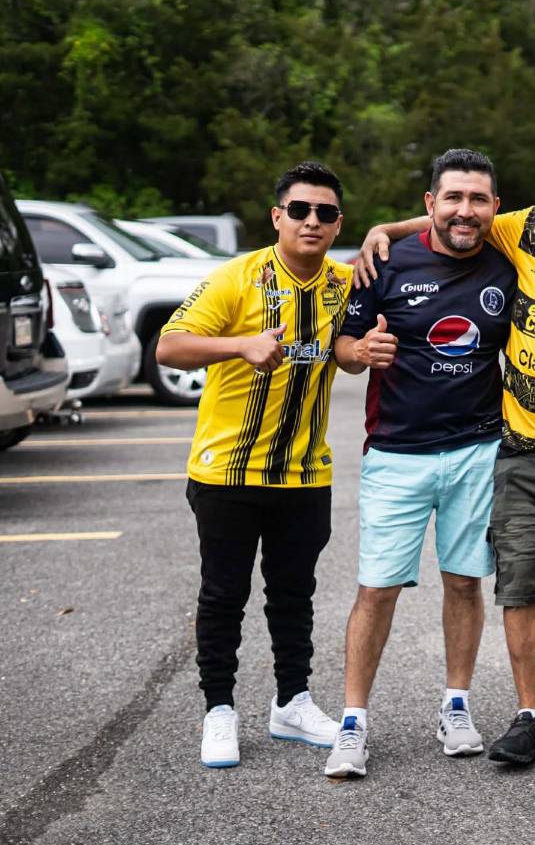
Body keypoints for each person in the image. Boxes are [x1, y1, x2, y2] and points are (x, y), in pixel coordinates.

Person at [355, 142, 535, 768]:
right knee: (520, 590)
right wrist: (385, 229)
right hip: (520, 452)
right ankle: (530, 715)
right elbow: (461, 216)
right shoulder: (532, 230)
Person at [322, 149, 516, 779]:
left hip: (478, 449)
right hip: (396, 453)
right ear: (430, 203)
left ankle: (456, 705)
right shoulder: (384, 262)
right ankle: (353, 722)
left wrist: (389, 221)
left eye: (479, 199)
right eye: (452, 198)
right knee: (377, 589)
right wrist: (360, 351)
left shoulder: (508, 259)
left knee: (465, 581)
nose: (466, 210)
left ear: (495, 206)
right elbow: (345, 348)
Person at [157, 161, 353, 769]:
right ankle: (219, 710)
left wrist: (355, 352)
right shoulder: (236, 279)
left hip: (305, 475)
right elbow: (169, 345)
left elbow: (345, 347)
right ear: (277, 217)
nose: (311, 221)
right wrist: (238, 344)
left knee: (294, 595)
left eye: (324, 212)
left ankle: (291, 702)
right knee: (224, 595)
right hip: (227, 475)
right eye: (299, 210)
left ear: (337, 222)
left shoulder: (344, 283)